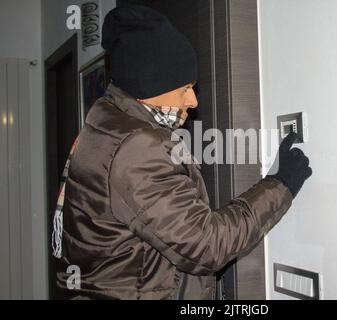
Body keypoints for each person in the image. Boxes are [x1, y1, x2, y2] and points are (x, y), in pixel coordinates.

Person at [54, 4, 312, 300]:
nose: (192, 100)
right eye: (183, 88)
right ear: (148, 85)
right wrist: (281, 185)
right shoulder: (137, 148)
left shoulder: (105, 124)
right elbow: (207, 246)